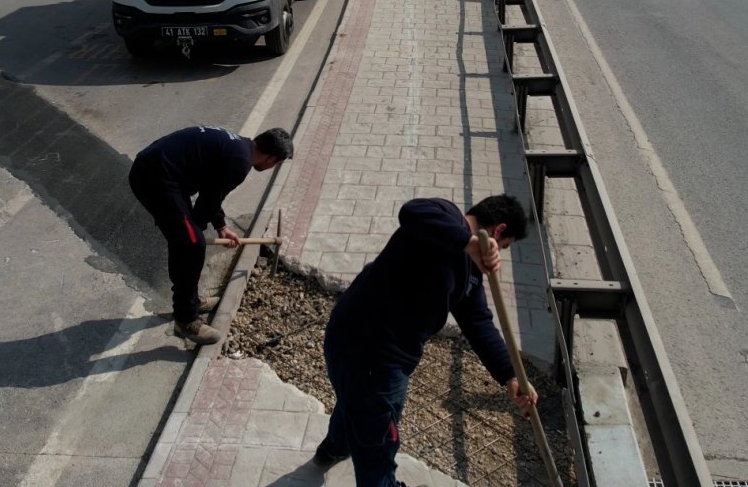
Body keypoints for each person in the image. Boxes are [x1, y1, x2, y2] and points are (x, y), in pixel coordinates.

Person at [314, 194, 538, 485]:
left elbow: (479, 323)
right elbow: (411, 211)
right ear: (497, 231)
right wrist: (470, 243)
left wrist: (510, 374)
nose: (499, 253)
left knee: (355, 401)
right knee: (378, 443)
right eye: (503, 246)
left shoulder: (469, 274)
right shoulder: (443, 217)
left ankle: (333, 448)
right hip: (375, 356)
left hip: (355, 341)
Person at [129, 126, 294, 345]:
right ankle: (186, 319)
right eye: (277, 164)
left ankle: (191, 300)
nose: (273, 167)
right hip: (154, 178)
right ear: (272, 158)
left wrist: (220, 225)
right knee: (192, 246)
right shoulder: (240, 162)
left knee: (188, 242)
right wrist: (191, 237)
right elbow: (207, 202)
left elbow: (212, 190)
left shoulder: (238, 147)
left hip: (162, 172)